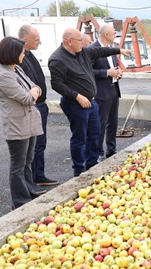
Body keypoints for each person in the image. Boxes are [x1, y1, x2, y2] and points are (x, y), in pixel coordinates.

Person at [48, 28, 131, 177]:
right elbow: (57, 84)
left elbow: (100, 52)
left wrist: (119, 50)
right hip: (76, 104)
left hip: (92, 102)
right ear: (69, 41)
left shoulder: (82, 52)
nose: (84, 43)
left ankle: (92, 164)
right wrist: (77, 96)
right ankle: (79, 169)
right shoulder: (57, 59)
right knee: (79, 137)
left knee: (95, 134)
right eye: (80, 40)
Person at [0, 37, 43, 209]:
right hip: (16, 125)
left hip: (28, 122)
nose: (23, 55)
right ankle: (20, 202)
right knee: (18, 164)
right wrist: (33, 92)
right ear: (12, 53)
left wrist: (34, 91)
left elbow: (36, 87)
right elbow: (27, 97)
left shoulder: (16, 69)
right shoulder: (3, 75)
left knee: (28, 161)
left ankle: (30, 192)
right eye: (22, 52)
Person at [18, 25, 59, 187]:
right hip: (32, 107)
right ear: (24, 40)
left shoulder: (30, 55)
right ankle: (31, 179)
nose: (40, 42)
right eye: (36, 40)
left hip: (41, 105)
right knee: (32, 146)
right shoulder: (20, 58)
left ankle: (39, 175)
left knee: (40, 143)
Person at [91, 24, 123, 161]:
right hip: (101, 93)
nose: (115, 35)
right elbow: (88, 71)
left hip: (114, 90)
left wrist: (117, 72)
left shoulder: (111, 50)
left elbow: (112, 68)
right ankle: (98, 153)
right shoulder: (92, 50)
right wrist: (106, 73)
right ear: (106, 35)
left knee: (113, 123)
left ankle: (112, 149)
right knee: (101, 124)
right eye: (113, 33)